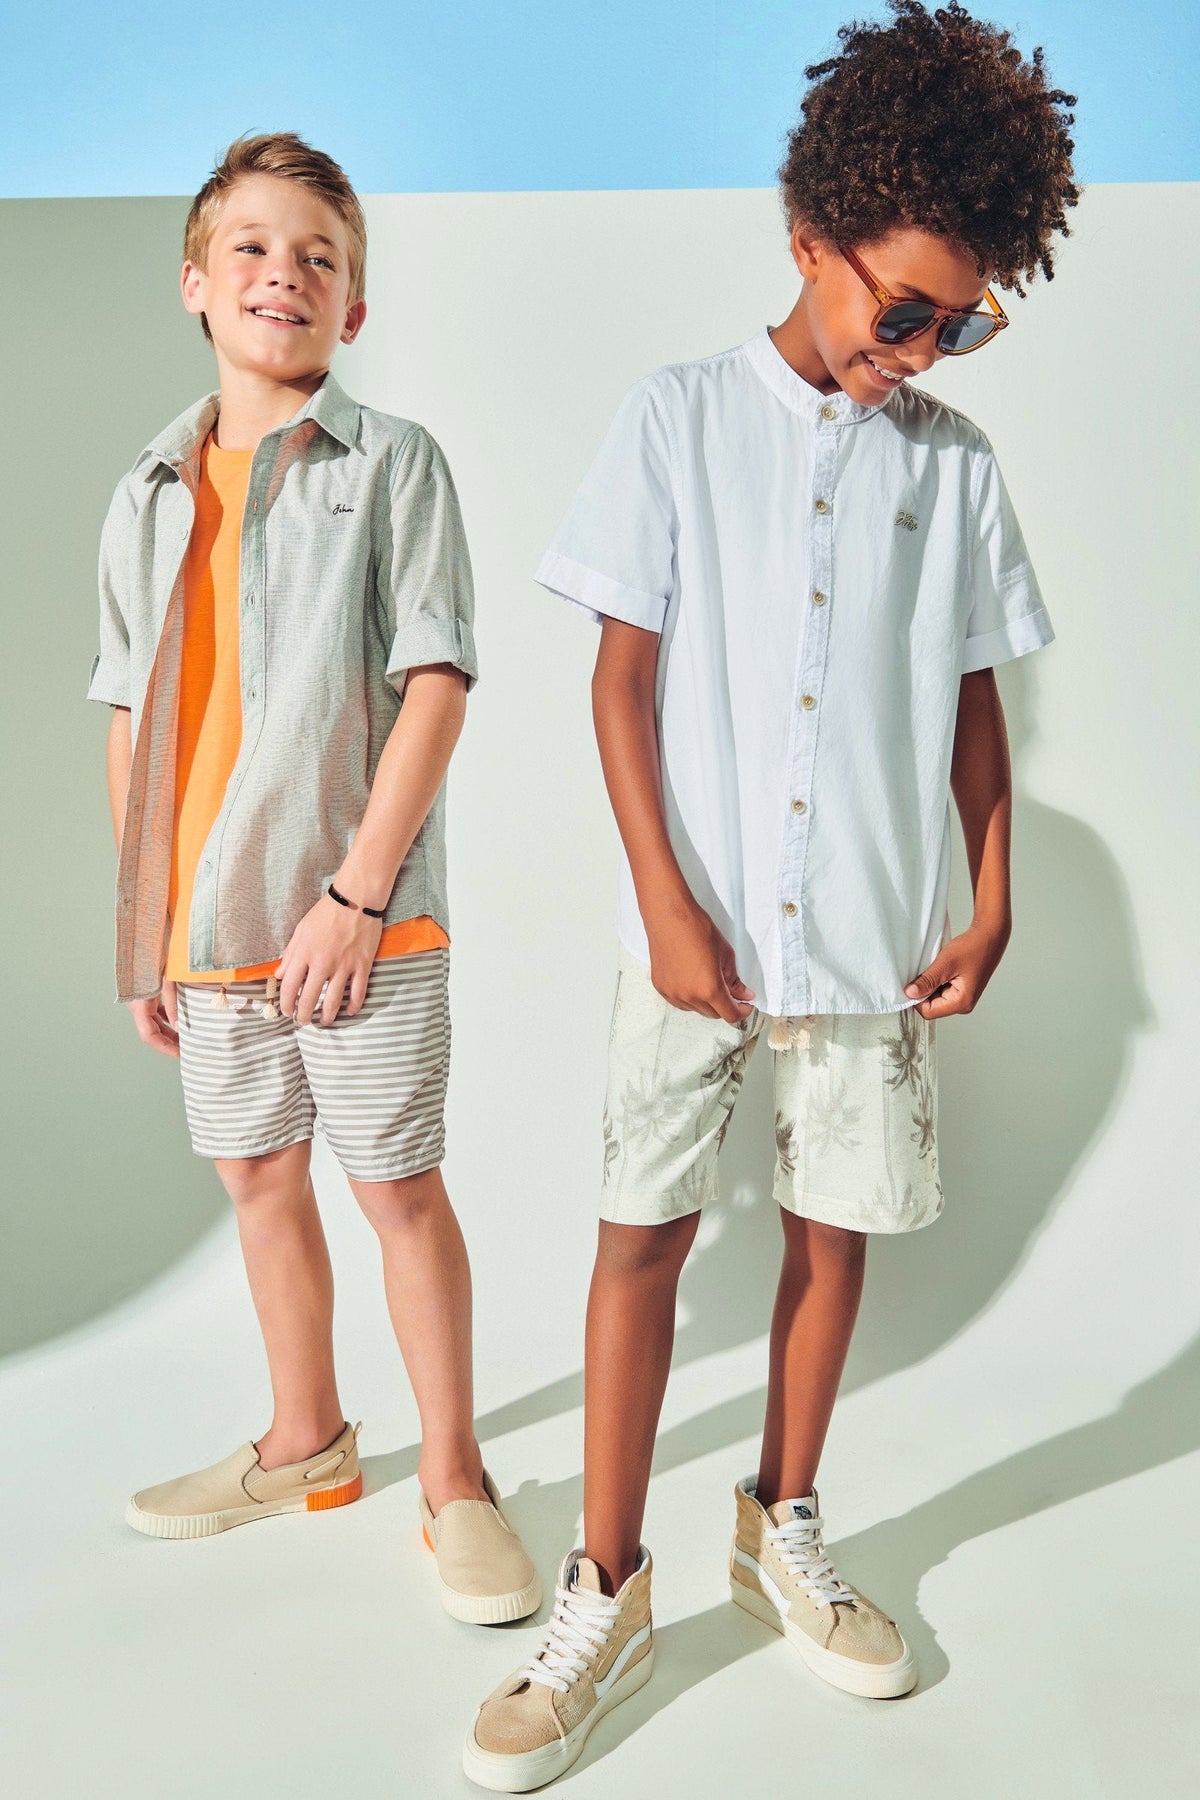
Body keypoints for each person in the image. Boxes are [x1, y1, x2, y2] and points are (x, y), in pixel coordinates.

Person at [463, 2, 1078, 1785]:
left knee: (835, 1231)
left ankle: (780, 1523)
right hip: (699, 935)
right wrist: (665, 903)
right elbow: (619, 684)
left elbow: (974, 704)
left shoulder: (954, 466)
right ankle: (605, 1587)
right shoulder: (674, 420)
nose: (929, 348)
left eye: (963, 321)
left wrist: (994, 891)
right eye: (906, 312)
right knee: (640, 1235)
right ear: (810, 239)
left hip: (873, 939)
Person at [88, 132, 539, 1626]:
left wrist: (354, 898)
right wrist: (145, 928)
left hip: (363, 922)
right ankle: (306, 1444)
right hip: (206, 930)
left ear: (355, 305)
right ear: (195, 282)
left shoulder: (394, 464)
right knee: (257, 1179)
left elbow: (438, 686)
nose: (285, 274)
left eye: (320, 257)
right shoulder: (145, 494)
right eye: (255, 248)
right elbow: (130, 717)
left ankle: (456, 1479)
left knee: (395, 1186)